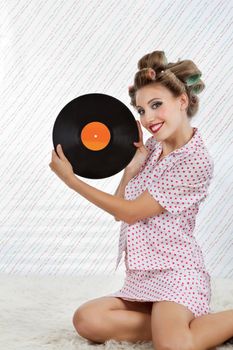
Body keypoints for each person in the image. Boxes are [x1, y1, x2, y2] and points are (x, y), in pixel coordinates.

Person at [49, 50, 233, 350]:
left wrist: (72, 181)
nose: (148, 119)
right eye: (141, 110)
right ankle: (181, 327)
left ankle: (188, 330)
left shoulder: (195, 160)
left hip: (177, 275)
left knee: (173, 347)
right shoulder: (152, 149)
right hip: (143, 277)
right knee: (87, 320)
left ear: (182, 101)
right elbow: (119, 212)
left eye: (156, 105)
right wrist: (130, 170)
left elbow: (132, 212)